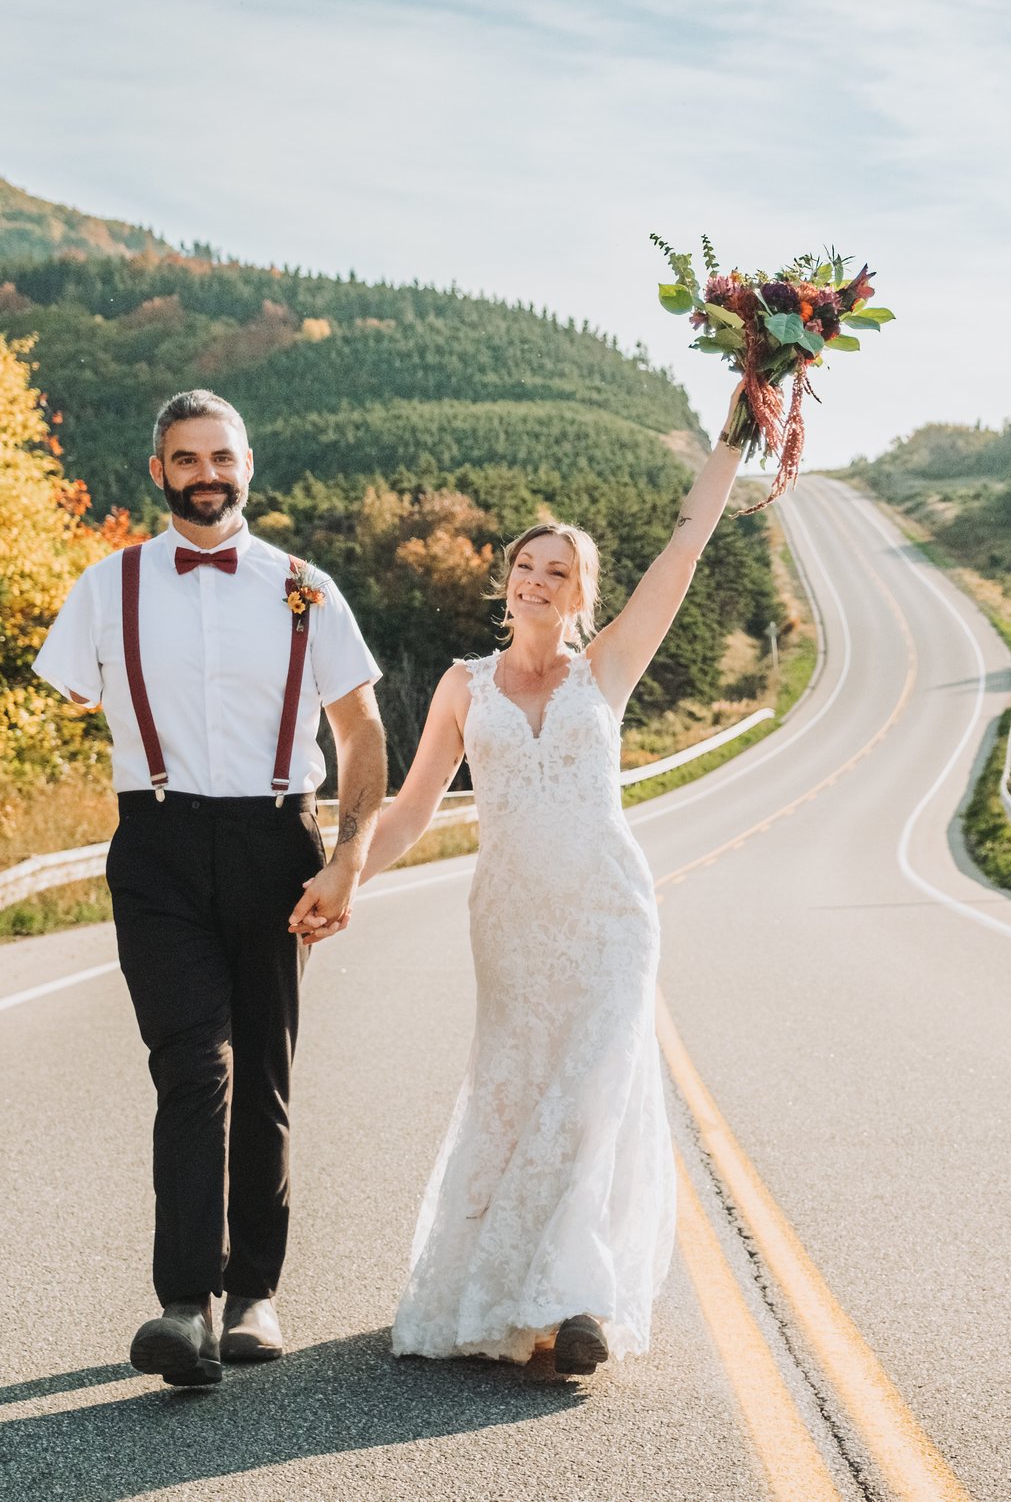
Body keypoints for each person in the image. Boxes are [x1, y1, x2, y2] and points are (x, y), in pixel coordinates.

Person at [359, 394, 747, 1375]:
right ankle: (509, 1288)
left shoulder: (606, 666)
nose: (539, 579)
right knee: (516, 1093)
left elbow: (685, 548)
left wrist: (737, 433)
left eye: (559, 570)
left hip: (609, 915)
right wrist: (342, 874)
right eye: (527, 565)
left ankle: (579, 1304)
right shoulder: (463, 685)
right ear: (507, 582)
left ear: (580, 593)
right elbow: (410, 809)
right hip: (511, 923)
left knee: (590, 1098)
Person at [33, 388, 388, 1387]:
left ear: (246, 463)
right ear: (158, 471)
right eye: (185, 458)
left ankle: (255, 1293)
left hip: (277, 837)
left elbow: (361, 733)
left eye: (220, 456)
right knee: (193, 1064)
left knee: (263, 1070)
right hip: (154, 843)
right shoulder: (105, 587)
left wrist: (347, 856)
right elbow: (70, 696)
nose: (205, 475)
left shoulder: (302, 588)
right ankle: (182, 1305)